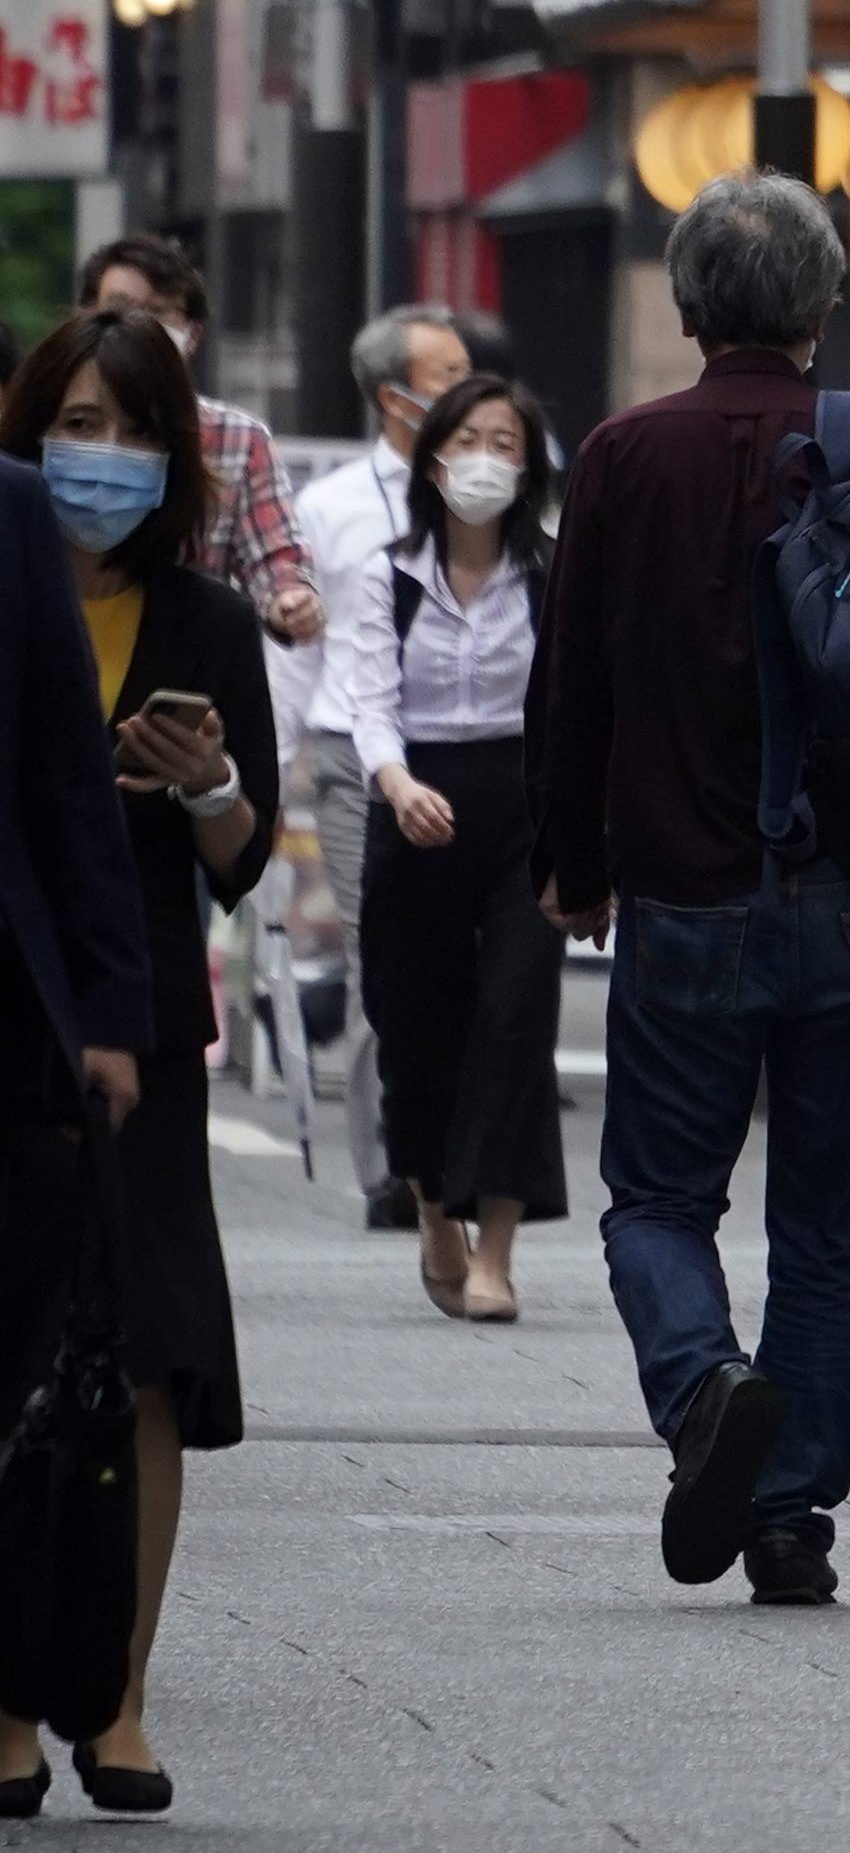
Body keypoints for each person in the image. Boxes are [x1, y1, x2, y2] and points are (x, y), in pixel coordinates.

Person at [533, 172, 850, 1611]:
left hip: (685, 887)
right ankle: (794, 1512)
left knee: (658, 1197)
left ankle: (702, 1384)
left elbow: (573, 679)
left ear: (685, 307)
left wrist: (573, 859)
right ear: (823, 304)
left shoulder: (622, 454)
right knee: (819, 1218)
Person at [0, 310, 283, 1811]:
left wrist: (212, 783)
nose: (97, 455)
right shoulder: (3, 576)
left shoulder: (205, 619)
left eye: (128, 427)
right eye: (75, 420)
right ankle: (4, 1696)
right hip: (14, 1011)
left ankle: (117, 1693)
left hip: (148, 1026)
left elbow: (240, 862)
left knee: (152, 1357)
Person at [329, 374, 572, 1326]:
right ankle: (435, 1203)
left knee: (516, 1015)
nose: (485, 459)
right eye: (467, 439)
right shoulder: (385, 574)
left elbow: (571, 706)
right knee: (416, 1018)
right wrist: (396, 785)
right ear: (433, 459)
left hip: (523, 807)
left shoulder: (552, 573)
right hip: (415, 797)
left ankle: (497, 1252)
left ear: (529, 462)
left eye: (505, 442)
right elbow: (369, 701)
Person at [281, 302, 474, 1228]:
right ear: (392, 395)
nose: (464, 387)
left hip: (470, 752)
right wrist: (274, 757)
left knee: (469, 959)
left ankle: (458, 1149)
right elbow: (297, 648)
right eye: (445, 375)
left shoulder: (497, 491)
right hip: (356, 761)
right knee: (380, 954)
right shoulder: (330, 508)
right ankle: (393, 1164)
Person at [78, 238, 320, 652]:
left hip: (182, 661)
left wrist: (290, 599)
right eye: (119, 309)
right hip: (70, 646)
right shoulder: (50, 420)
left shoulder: (237, 439)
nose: (137, 327)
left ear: (191, 335)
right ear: (86, 317)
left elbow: (272, 554)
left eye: (157, 313)